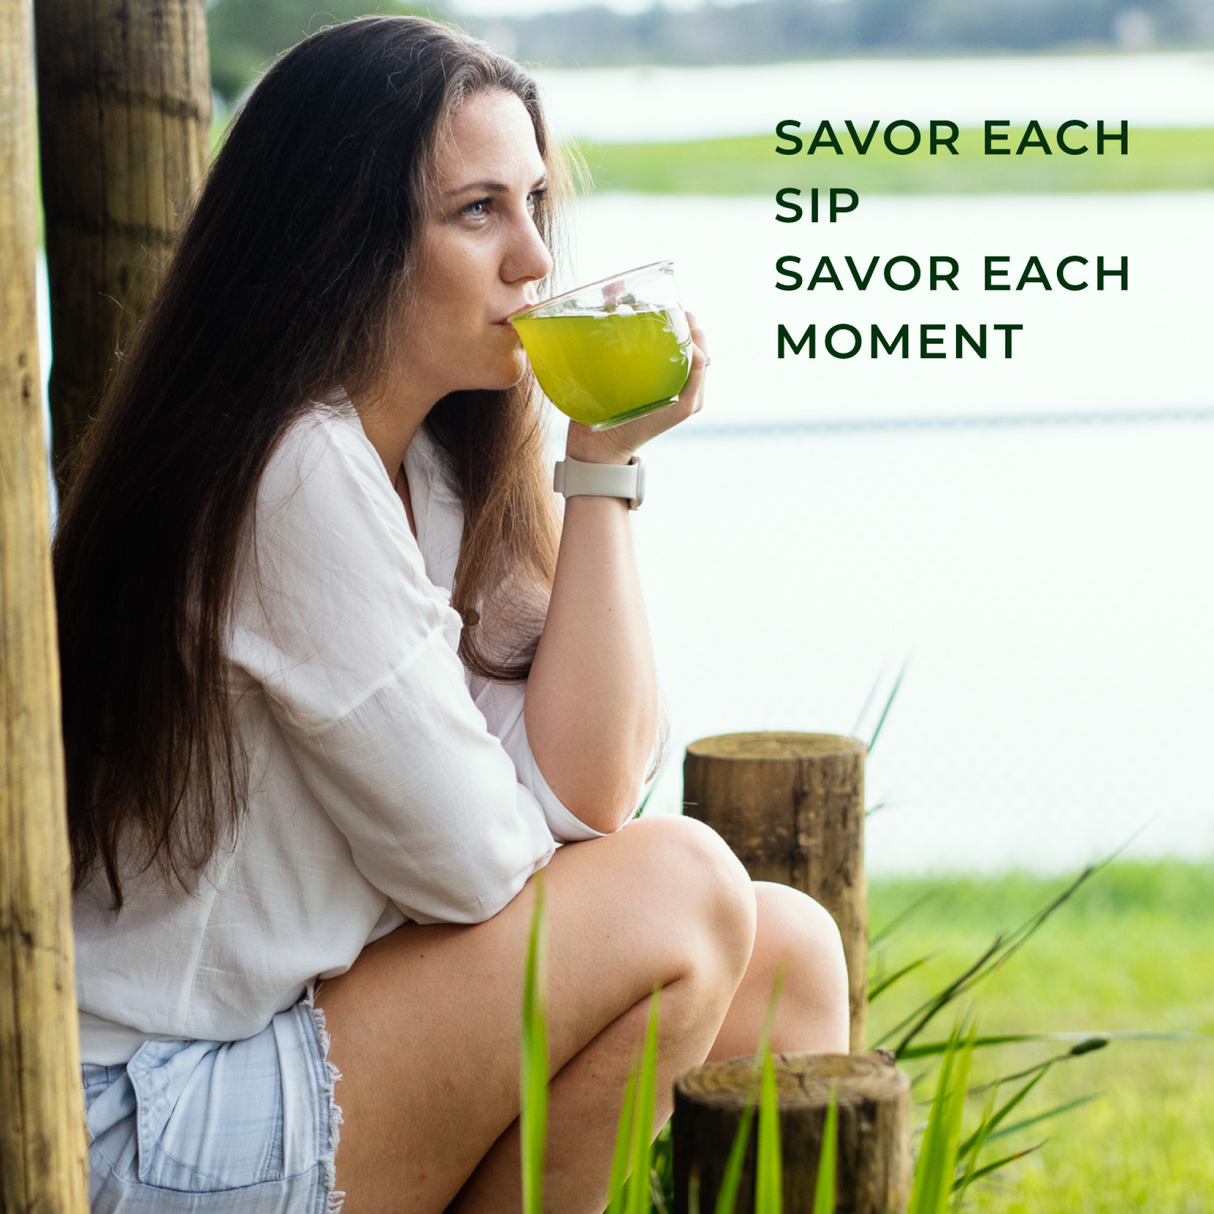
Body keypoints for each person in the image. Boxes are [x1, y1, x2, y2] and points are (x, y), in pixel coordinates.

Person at [54, 16, 849, 1214]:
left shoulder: (421, 467)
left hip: (266, 1044)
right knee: (682, 884)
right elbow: (482, 866)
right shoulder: (288, 472)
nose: (533, 257)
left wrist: (597, 470)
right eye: (477, 211)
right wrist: (571, 847)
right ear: (342, 241)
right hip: (136, 1118)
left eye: (534, 201)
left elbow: (583, 794)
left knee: (780, 950)